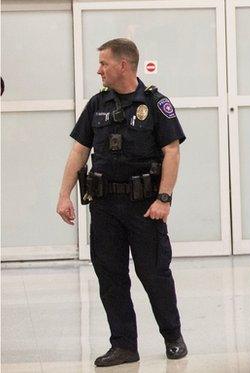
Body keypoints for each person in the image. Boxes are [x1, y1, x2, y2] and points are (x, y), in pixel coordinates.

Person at [55, 38, 187, 367]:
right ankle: (124, 344)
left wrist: (164, 198)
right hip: (104, 208)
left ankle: (173, 336)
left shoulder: (155, 104)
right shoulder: (97, 105)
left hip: (145, 207)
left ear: (123, 65)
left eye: (103, 63)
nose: (99, 69)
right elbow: (79, 151)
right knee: (111, 277)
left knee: (154, 274)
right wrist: (63, 194)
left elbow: (172, 150)